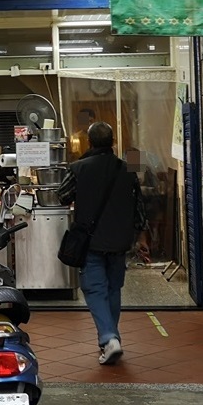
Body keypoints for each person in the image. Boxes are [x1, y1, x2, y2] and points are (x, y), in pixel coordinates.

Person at [57, 121, 149, 365]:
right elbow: (139, 205)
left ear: (89, 142)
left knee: (95, 289)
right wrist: (141, 236)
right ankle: (110, 340)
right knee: (112, 289)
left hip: (92, 240)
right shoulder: (128, 168)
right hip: (120, 241)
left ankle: (109, 338)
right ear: (113, 143)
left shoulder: (78, 168)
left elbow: (62, 195)